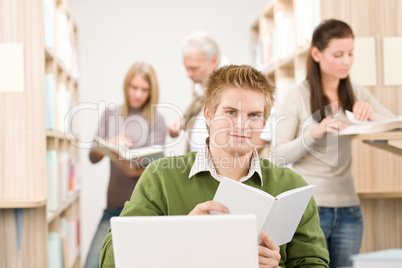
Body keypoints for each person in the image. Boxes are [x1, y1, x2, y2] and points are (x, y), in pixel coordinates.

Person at [100, 65, 330, 268]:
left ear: (264, 122)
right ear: (209, 114)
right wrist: (180, 238)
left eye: (254, 115)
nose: (242, 125)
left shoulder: (291, 187)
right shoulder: (161, 177)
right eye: (231, 112)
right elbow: (111, 259)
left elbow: (314, 263)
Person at [270, 19, 396, 268]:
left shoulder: (356, 92)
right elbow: (277, 156)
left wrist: (370, 113)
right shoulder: (297, 96)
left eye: (350, 54)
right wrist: (314, 133)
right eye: (338, 54)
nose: (346, 61)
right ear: (316, 53)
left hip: (349, 210)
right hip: (311, 209)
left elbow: (394, 123)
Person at [85, 62, 166, 268]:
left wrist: (126, 162)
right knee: (93, 263)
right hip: (113, 208)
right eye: (134, 87)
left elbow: (153, 165)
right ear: (126, 86)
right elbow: (92, 156)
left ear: (151, 91)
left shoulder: (157, 120)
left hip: (145, 209)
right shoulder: (111, 114)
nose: (138, 94)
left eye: (144, 89)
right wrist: (109, 145)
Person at [168, 31, 227, 152]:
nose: (188, 74)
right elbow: (199, 115)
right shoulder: (200, 86)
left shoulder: (233, 87)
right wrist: (181, 124)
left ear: (214, 61)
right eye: (186, 68)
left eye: (194, 68)